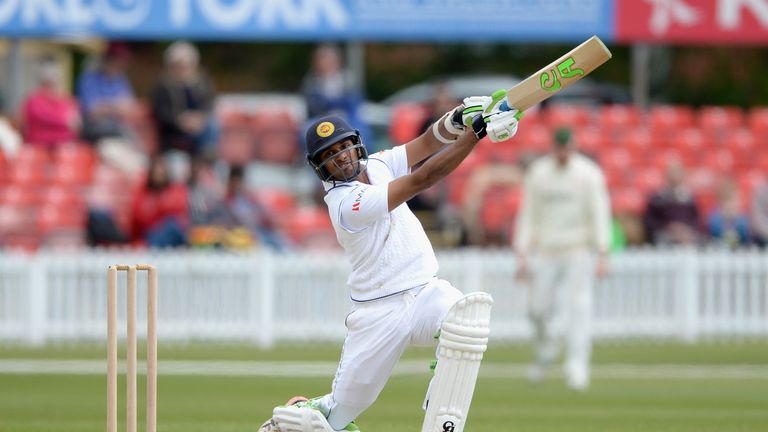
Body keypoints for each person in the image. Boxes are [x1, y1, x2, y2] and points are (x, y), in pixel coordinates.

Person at [259, 91, 520, 432]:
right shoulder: (345, 203)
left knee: (465, 319)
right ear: (320, 167)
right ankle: (296, 415)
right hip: (378, 313)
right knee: (337, 417)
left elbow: (426, 142)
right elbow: (421, 179)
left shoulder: (378, 164)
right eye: (330, 156)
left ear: (356, 144)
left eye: (343, 147)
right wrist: (476, 133)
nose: (341, 158)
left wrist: (458, 118)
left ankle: (440, 418)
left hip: (425, 292)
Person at [514, 127, 611, 391]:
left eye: (567, 148)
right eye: (559, 148)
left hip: (577, 249)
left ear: (574, 146)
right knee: (536, 309)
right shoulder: (539, 173)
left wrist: (603, 251)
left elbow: (600, 213)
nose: (563, 153)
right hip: (546, 250)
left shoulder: (589, 174)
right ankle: (546, 350)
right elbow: (528, 214)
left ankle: (577, 366)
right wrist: (522, 252)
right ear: (553, 147)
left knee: (579, 308)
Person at [150, 41, 218, 157]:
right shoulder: (163, 86)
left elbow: (209, 103)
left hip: (199, 125)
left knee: (212, 125)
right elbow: (160, 111)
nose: (182, 69)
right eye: (178, 65)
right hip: (174, 130)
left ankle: (206, 158)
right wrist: (179, 120)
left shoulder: (202, 83)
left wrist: (199, 118)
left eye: (185, 65)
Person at [301, 44, 370, 150]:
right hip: (321, 118)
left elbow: (354, 102)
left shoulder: (347, 79)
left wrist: (332, 103)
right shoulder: (312, 81)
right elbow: (311, 106)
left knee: (360, 129)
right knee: (306, 131)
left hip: (346, 117)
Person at [77, 41, 136, 143]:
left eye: (124, 62)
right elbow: (93, 112)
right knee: (123, 133)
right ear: (108, 59)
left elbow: (130, 108)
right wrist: (116, 106)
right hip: (93, 129)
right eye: (119, 61)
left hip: (116, 125)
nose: (123, 65)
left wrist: (106, 106)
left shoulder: (120, 78)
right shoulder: (89, 78)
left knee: (128, 134)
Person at [130, 156, 189, 248]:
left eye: (161, 172)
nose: (159, 175)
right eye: (156, 172)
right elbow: (140, 218)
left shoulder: (176, 191)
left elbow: (179, 216)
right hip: (149, 236)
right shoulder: (143, 193)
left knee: (172, 226)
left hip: (173, 235)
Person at [19, 59, 80, 148]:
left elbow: (75, 118)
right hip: (40, 146)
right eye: (50, 80)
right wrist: (64, 121)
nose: (53, 82)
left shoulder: (66, 99)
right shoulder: (33, 99)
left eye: (56, 78)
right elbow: (42, 117)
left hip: (66, 144)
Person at [643, 158, 701, 245]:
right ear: (666, 175)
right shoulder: (657, 198)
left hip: (686, 235)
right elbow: (649, 221)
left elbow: (696, 219)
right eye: (672, 173)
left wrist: (684, 229)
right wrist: (668, 228)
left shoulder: (689, 198)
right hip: (664, 235)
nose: (674, 177)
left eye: (677, 173)